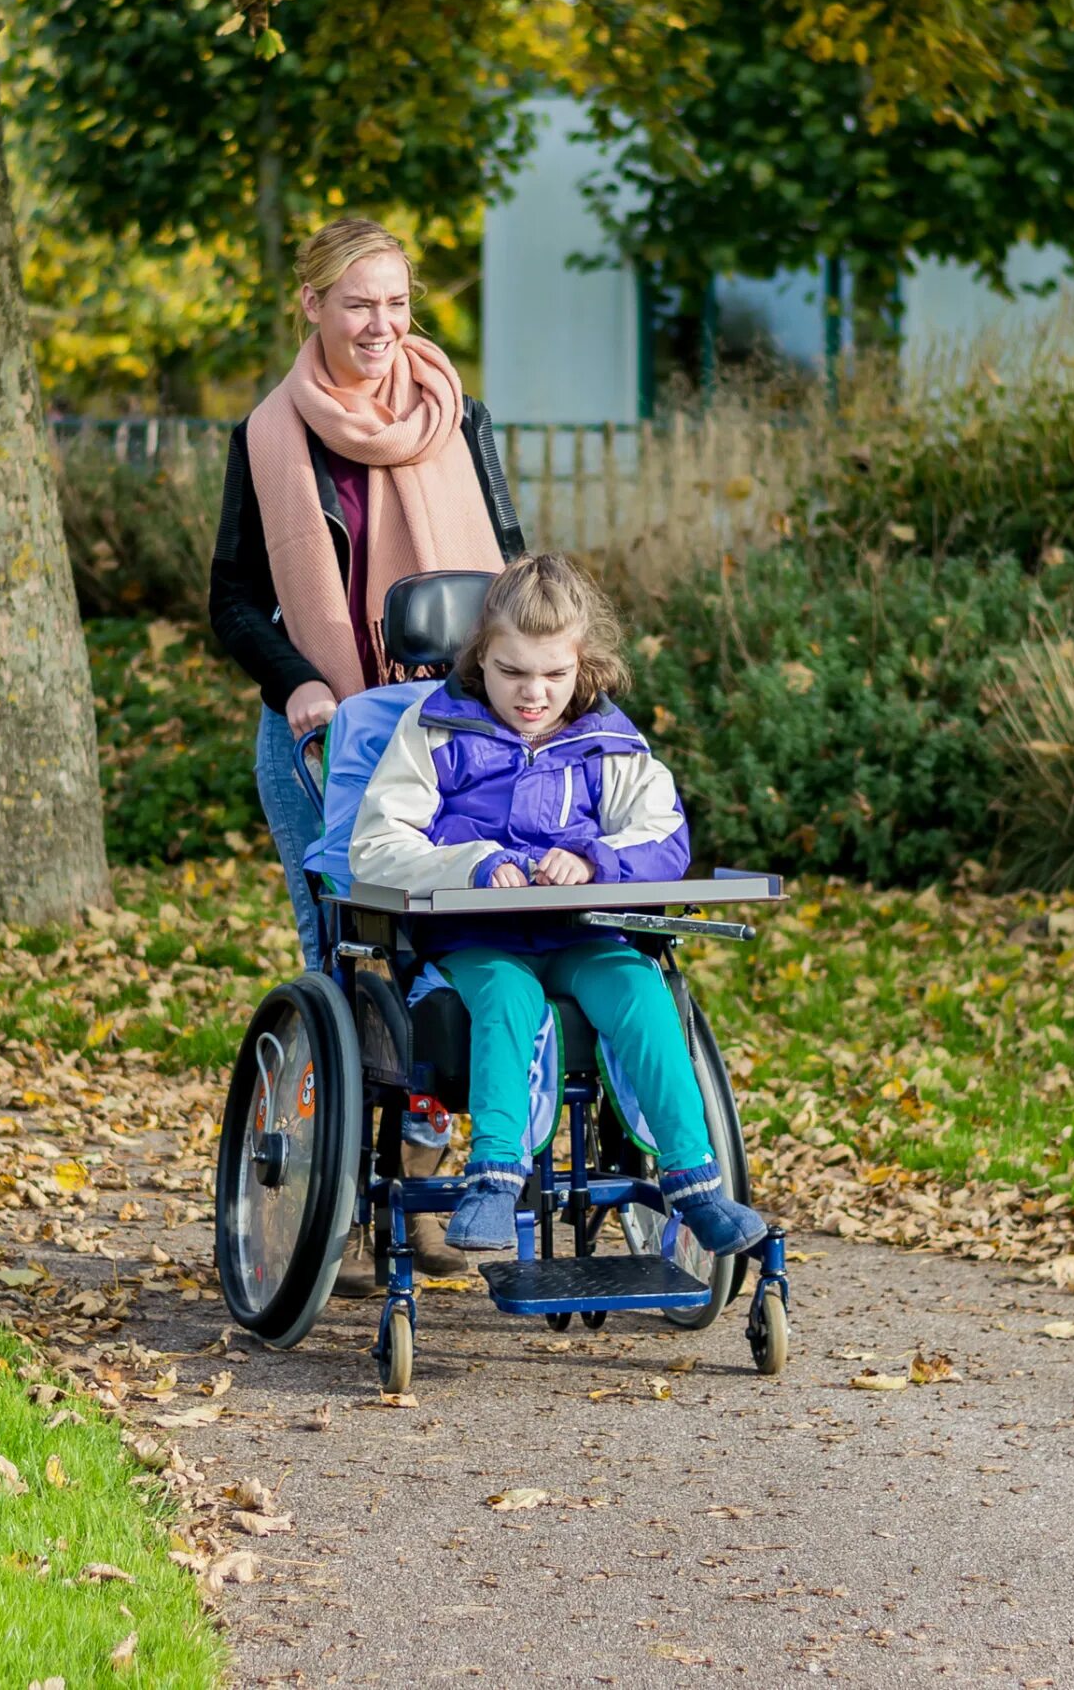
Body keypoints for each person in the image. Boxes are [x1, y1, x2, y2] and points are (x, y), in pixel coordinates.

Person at [209, 217, 523, 1287]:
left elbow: (513, 571)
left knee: (451, 949)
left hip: (457, 737)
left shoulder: (456, 415)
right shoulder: (269, 438)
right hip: (324, 737)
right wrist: (297, 679)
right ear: (311, 306)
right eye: (357, 305)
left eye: (395, 303)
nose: (381, 324)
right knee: (345, 959)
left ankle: (429, 1201)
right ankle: (338, 1210)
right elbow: (234, 602)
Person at [347, 553, 772, 1258]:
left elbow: (663, 836)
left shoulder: (610, 742)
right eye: (512, 672)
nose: (533, 693)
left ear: (585, 665)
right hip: (476, 943)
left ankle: (696, 1186)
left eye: (554, 674)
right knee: (509, 996)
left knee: (640, 988)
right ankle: (491, 1180)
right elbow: (377, 844)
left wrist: (596, 859)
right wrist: (478, 862)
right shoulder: (433, 731)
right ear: (480, 657)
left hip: (583, 937)